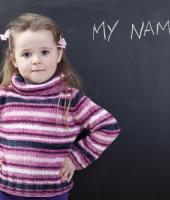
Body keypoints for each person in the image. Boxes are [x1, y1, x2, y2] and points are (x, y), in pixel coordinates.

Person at [0, 13, 120, 199]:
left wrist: (75, 158)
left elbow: (108, 127)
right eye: (26, 54)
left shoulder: (70, 99)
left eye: (45, 52)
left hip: (53, 193)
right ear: (14, 60)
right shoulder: (4, 95)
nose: (36, 60)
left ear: (58, 54)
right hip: (6, 191)